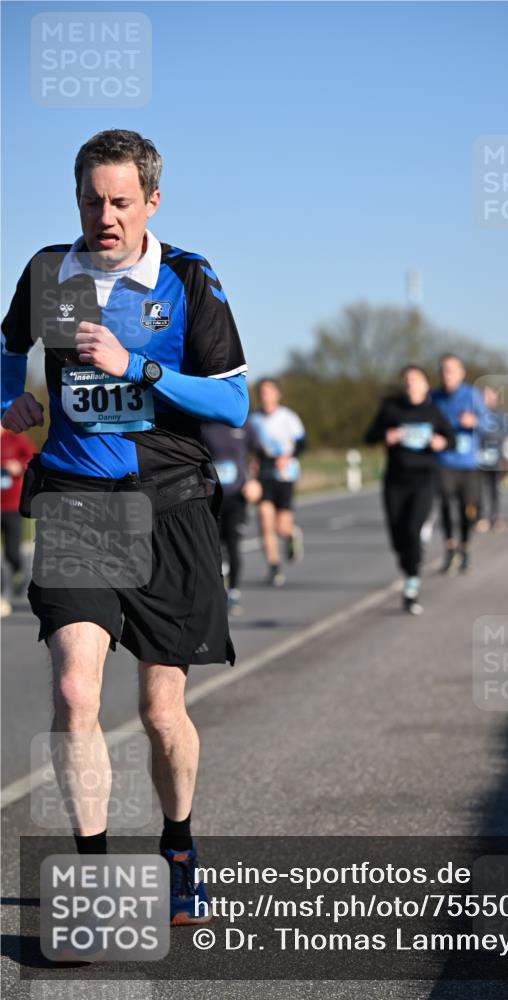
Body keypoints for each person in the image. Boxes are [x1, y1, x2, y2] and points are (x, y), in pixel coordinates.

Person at [0, 129, 248, 928]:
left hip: (170, 502)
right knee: (76, 691)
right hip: (79, 499)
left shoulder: (185, 279)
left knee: (159, 711)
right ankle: (96, 881)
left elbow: (232, 403)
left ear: (150, 201)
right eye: (90, 201)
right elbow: (6, 352)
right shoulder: (49, 272)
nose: (103, 217)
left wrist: (139, 369)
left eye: (119, 202)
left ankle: (178, 847)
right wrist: (9, 401)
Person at [365, 366, 453, 614]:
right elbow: (369, 436)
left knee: (413, 530)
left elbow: (451, 439)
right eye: (406, 381)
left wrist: (442, 441)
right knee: (397, 537)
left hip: (423, 479)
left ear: (425, 385)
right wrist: (386, 435)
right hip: (395, 480)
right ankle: (409, 563)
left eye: (415, 380)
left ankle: (411, 586)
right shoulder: (391, 409)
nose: (410, 385)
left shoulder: (433, 411)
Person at [432, 354, 487, 573]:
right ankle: (449, 547)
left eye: (452, 370)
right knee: (445, 503)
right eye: (444, 370)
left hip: (468, 462)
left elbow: (490, 424)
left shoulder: (472, 395)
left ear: (461, 373)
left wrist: (475, 422)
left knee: (468, 509)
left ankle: (465, 547)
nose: (448, 375)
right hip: (444, 461)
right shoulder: (434, 397)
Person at [200, 420, 262, 616]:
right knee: (214, 547)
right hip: (212, 497)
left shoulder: (242, 424)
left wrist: (255, 481)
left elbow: (259, 454)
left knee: (234, 544)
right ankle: (218, 592)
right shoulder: (203, 425)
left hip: (238, 496)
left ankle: (233, 593)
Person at [249, 378, 306, 586]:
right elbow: (248, 446)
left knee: (281, 526)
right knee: (265, 520)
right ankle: (274, 567)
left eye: (269, 391)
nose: (265, 395)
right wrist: (252, 462)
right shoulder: (253, 420)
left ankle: (291, 535)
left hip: (285, 475)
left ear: (277, 394)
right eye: (262, 392)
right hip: (264, 475)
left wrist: (288, 457)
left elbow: (302, 443)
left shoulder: (288, 417)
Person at [0, 425, 35, 615]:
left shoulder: (15, 439)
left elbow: (31, 460)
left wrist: (17, 465)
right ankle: (2, 593)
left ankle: (18, 574)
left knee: (12, 552)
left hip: (11, 505)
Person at [475, 385, 506, 534]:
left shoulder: (499, 415)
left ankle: (496, 517)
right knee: (479, 488)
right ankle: (481, 518)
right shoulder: (477, 413)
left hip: (495, 455)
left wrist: (486, 432)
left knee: (494, 488)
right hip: (479, 456)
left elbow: (502, 435)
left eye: (490, 395)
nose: (487, 398)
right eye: (484, 395)